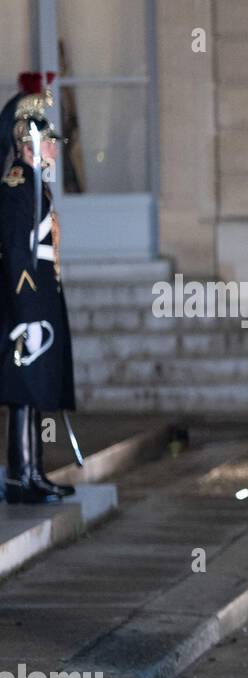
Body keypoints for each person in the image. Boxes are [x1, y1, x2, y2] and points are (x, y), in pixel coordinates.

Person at [0, 72, 76, 504]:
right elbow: (15, 254)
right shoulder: (16, 187)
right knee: (24, 392)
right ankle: (20, 476)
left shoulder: (34, 187)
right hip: (27, 305)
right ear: (28, 143)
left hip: (42, 301)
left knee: (34, 392)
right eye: (47, 141)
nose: (53, 149)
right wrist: (26, 315)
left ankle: (33, 472)